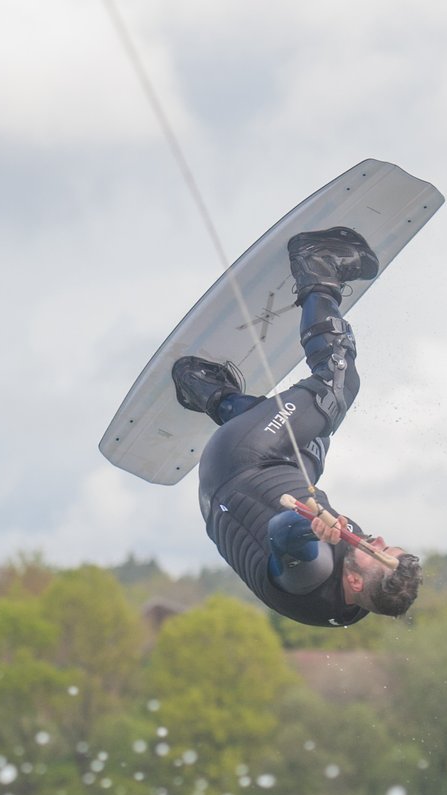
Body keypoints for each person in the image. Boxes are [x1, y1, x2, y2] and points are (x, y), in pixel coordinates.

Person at [171, 227, 423, 627]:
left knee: (334, 390)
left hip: (241, 461)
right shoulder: (352, 599)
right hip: (259, 477)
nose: (376, 541)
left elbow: (283, 533)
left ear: (355, 580)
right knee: (315, 435)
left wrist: (309, 527)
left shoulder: (314, 575)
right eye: (385, 545)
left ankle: (317, 265)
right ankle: (204, 389)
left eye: (376, 552)